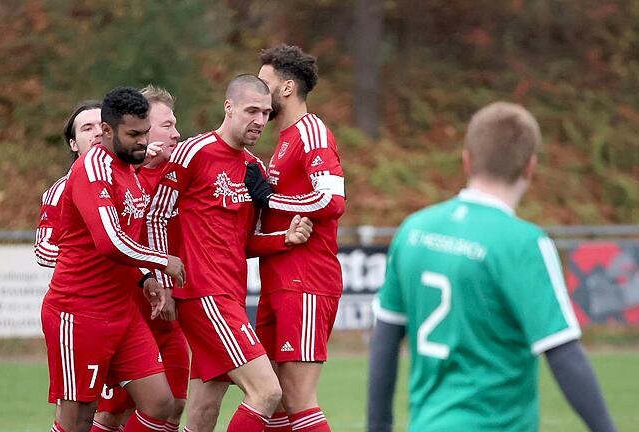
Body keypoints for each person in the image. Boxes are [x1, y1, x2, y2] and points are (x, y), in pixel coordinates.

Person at [367, 102, 617, 432]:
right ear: (530, 167)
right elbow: (563, 353)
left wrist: (378, 427)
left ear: (467, 160)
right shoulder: (523, 243)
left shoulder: (413, 230)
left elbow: (384, 340)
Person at [145, 74, 314, 432]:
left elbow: (245, 242)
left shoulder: (254, 168)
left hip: (230, 296)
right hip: (204, 294)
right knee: (267, 393)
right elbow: (156, 216)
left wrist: (286, 238)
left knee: (204, 410)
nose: (259, 120)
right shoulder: (193, 153)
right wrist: (164, 282)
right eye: (251, 110)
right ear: (228, 107)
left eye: (266, 113)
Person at [42, 86, 186, 432]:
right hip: (79, 313)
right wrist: (161, 261)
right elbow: (109, 242)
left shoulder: (126, 168)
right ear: (107, 131)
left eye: (145, 133)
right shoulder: (93, 169)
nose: (141, 141)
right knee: (79, 419)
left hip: (121, 313)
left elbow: (125, 237)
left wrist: (143, 278)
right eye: (133, 134)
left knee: (161, 403)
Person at [243, 44, 346, 432]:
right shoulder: (286, 140)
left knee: (299, 399)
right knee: (275, 400)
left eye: (263, 83)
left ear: (286, 88)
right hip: (280, 281)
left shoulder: (312, 131)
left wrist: (270, 196)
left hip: (306, 280)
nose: (256, 92)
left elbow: (332, 199)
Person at [93, 85, 189, 432]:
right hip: (131, 308)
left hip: (166, 306)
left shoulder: (180, 168)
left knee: (174, 403)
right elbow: (114, 237)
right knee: (112, 411)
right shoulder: (118, 174)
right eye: (166, 125)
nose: (175, 133)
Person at [35, 101, 102, 268]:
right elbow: (43, 249)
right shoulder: (61, 190)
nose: (99, 132)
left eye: (104, 126)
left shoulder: (132, 178)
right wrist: (90, 258)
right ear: (73, 144)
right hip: (85, 290)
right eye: (88, 128)